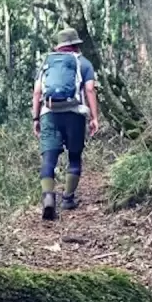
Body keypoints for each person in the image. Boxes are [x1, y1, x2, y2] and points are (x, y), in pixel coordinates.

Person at [31, 27, 100, 220]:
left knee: (48, 158)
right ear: (76, 45)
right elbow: (90, 90)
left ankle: (48, 197)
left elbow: (37, 93)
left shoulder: (46, 63)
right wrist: (94, 117)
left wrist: (36, 118)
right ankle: (68, 198)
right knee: (75, 156)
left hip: (49, 113)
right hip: (75, 114)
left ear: (59, 46)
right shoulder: (84, 63)